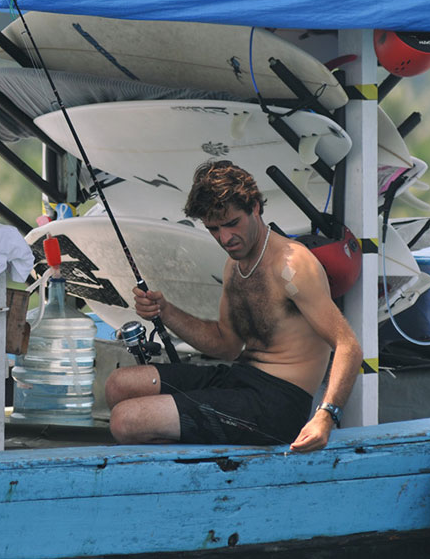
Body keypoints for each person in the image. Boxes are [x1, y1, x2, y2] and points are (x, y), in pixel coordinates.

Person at [104, 160, 361, 453]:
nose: (225, 238)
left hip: (277, 406)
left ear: (255, 208)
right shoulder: (234, 266)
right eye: (213, 228)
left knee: (126, 421)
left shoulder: (292, 264)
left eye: (231, 223)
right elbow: (226, 346)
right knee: (119, 384)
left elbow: (348, 346)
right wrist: (166, 311)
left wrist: (326, 417)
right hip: (240, 380)